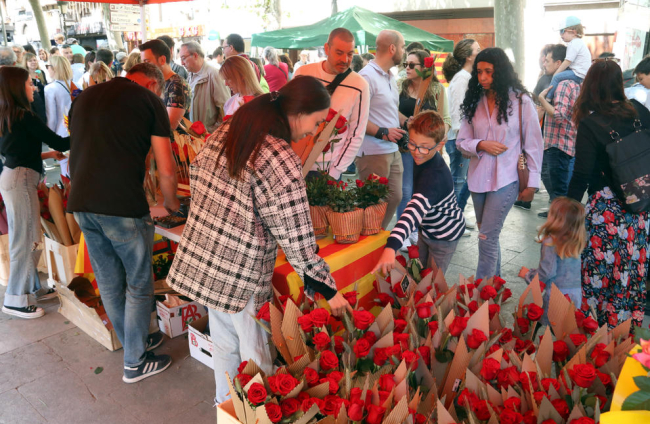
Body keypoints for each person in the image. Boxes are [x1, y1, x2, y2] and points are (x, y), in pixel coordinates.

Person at [166, 75, 351, 405]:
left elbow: (197, 174)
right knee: (257, 358)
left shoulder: (232, 129)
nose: (315, 130)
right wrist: (327, 287)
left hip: (207, 260)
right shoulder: (278, 155)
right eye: (317, 121)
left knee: (225, 345)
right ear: (299, 113)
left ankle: (226, 409)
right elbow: (296, 235)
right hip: (240, 275)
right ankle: (257, 414)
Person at [68, 62, 180, 383]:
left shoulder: (86, 96)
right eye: (158, 91)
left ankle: (136, 342)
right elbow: (166, 165)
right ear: (151, 84)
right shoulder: (148, 101)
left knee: (109, 283)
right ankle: (135, 361)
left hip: (81, 204)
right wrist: (170, 204)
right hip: (121, 205)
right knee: (138, 283)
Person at [567, 58, 650, 330]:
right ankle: (625, 334)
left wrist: (565, 210)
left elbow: (581, 174)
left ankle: (596, 339)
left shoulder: (592, 124)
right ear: (619, 83)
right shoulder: (639, 110)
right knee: (629, 275)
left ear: (589, 86)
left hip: (607, 214)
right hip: (639, 209)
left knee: (600, 277)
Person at [457, 47, 543, 280]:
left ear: (501, 71)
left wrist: (532, 184)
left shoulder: (522, 101)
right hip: (476, 179)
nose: (482, 77)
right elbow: (461, 142)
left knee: (486, 236)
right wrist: (481, 144)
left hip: (507, 179)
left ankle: (480, 293)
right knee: (489, 236)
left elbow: (534, 145)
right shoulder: (474, 100)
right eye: (479, 72)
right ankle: (493, 288)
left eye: (488, 72)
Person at [0, 66, 69, 319]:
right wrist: (86, 131)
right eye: (30, 83)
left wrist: (50, 155)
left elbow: (18, 151)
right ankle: (15, 299)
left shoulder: (8, 115)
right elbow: (60, 141)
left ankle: (30, 288)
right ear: (18, 87)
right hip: (21, 179)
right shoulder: (23, 116)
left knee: (30, 234)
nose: (34, 87)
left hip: (15, 176)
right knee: (24, 238)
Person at [372, 111, 465, 276]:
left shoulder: (434, 176)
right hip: (426, 228)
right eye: (412, 144)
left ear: (439, 145)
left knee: (434, 281)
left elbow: (413, 211)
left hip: (445, 235)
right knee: (418, 273)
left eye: (423, 147)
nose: (416, 152)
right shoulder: (424, 158)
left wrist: (391, 246)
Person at [294, 27, 370, 180]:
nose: (345, 60)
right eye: (339, 53)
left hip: (325, 172)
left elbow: (356, 133)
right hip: (294, 162)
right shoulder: (303, 73)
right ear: (327, 48)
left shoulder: (360, 85)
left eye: (350, 54)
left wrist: (335, 172)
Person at [397, 49, 452, 248]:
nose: (407, 69)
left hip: (427, 151)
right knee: (405, 190)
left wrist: (439, 135)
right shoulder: (399, 86)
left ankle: (416, 229)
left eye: (412, 65)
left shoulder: (436, 89)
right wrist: (405, 121)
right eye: (406, 64)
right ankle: (403, 231)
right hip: (404, 147)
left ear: (424, 68)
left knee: (421, 190)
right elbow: (391, 111)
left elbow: (445, 119)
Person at [358, 30, 406, 230]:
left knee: (395, 196)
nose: (403, 52)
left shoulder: (389, 76)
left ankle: (377, 238)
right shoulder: (366, 76)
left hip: (392, 149)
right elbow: (357, 117)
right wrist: (382, 132)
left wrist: (408, 121)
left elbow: (391, 109)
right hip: (373, 152)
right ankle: (368, 243)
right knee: (373, 204)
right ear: (392, 48)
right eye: (403, 47)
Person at [518, 197, 585, 324]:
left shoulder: (551, 241)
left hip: (556, 295)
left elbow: (547, 272)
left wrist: (528, 275)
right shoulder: (576, 240)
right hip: (575, 295)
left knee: (547, 326)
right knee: (564, 329)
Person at [536, 44, 580, 218]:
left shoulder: (562, 85)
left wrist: (542, 99)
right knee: (560, 193)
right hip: (562, 145)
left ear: (559, 63)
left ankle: (560, 232)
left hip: (559, 145)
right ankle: (558, 225)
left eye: (547, 60)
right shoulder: (573, 83)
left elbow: (559, 116)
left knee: (560, 193)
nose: (544, 63)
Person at [442, 39, 481, 217]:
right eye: (477, 49)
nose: (481, 52)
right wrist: (462, 139)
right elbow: (457, 111)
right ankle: (453, 219)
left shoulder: (468, 77)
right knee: (458, 181)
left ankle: (458, 215)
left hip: (463, 138)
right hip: (459, 138)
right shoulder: (461, 79)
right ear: (469, 56)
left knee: (463, 180)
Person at [140, 39, 190, 131]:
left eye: (147, 61)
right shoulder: (154, 83)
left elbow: (169, 125)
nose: (143, 66)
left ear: (162, 60)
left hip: (172, 143)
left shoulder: (177, 85)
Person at [180, 41, 230, 132]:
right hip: (195, 135)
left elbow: (225, 108)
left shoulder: (214, 75)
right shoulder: (190, 76)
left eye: (183, 58)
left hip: (208, 137)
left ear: (195, 55)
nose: (182, 63)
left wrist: (211, 131)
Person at [546, 16, 591, 101]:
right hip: (580, 73)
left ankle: (548, 98)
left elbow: (567, 62)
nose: (561, 35)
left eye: (562, 31)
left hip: (578, 74)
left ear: (573, 32)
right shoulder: (578, 42)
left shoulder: (574, 43)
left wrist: (556, 73)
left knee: (556, 77)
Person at [45, 55, 75, 138]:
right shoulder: (78, 85)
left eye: (48, 66)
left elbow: (51, 117)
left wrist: (49, 136)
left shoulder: (50, 88)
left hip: (61, 132)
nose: (47, 69)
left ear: (54, 68)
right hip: (79, 129)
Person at [25, 53, 47, 123]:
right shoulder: (25, 75)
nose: (33, 62)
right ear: (25, 63)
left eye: (34, 60)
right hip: (34, 104)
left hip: (44, 101)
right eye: (30, 61)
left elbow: (45, 84)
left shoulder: (41, 72)